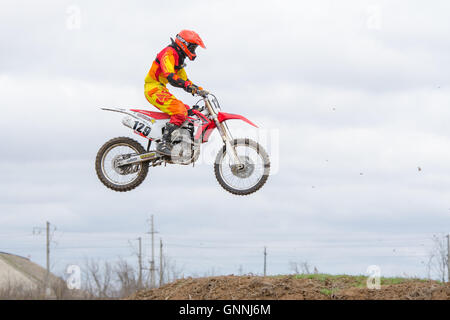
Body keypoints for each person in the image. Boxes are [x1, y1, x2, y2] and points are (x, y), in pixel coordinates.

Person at [144, 30, 206, 155]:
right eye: (193, 47)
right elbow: (170, 76)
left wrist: (199, 89)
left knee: (188, 111)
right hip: (153, 89)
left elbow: (185, 81)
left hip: (161, 89)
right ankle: (163, 143)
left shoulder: (179, 58)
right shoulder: (168, 53)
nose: (194, 50)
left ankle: (178, 141)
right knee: (180, 111)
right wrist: (188, 86)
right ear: (184, 44)